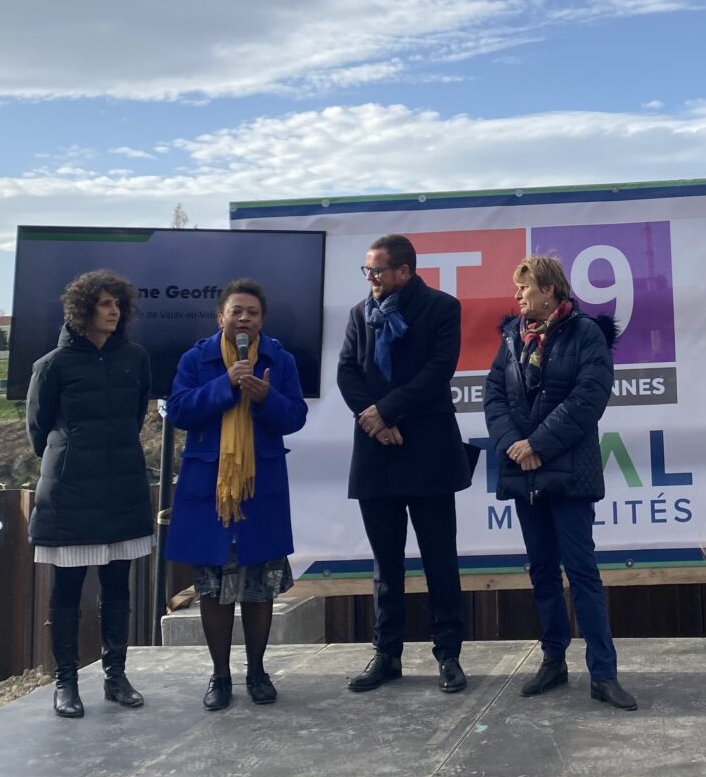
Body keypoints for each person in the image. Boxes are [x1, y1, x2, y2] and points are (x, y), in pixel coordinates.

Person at [483, 254, 637, 710]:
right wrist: (513, 442)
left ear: (549, 290)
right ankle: (553, 661)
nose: (517, 297)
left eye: (524, 289)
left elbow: (589, 396)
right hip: (523, 472)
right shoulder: (512, 336)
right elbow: (493, 395)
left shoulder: (586, 333)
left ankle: (603, 675)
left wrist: (538, 445)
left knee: (582, 573)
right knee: (543, 573)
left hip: (567, 474)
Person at [338, 234, 472, 695]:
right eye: (367, 271)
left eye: (377, 270)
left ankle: (449, 655)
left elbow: (438, 369)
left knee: (439, 559)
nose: (371, 279)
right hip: (377, 452)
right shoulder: (360, 314)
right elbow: (346, 372)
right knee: (385, 564)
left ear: (404, 271)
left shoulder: (440, 307)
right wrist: (374, 421)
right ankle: (387, 653)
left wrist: (389, 411)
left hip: (427, 447)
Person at [166, 279, 307, 710]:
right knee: (212, 589)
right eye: (237, 311)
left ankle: (258, 672)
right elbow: (180, 410)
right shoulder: (197, 359)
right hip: (210, 491)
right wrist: (225, 384)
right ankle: (220, 676)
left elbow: (295, 416)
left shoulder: (278, 359)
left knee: (259, 589)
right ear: (221, 317)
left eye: (253, 313)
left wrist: (266, 398)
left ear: (261, 320)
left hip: (258, 489)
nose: (244, 319)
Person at [26, 269, 152, 718]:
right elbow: (39, 432)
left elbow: (135, 417)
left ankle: (115, 676)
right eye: (104, 304)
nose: (114, 310)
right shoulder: (52, 365)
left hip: (122, 486)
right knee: (68, 586)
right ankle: (66, 683)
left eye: (118, 303)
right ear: (83, 310)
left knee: (118, 584)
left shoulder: (135, 358)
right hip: (70, 492)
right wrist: (77, 457)